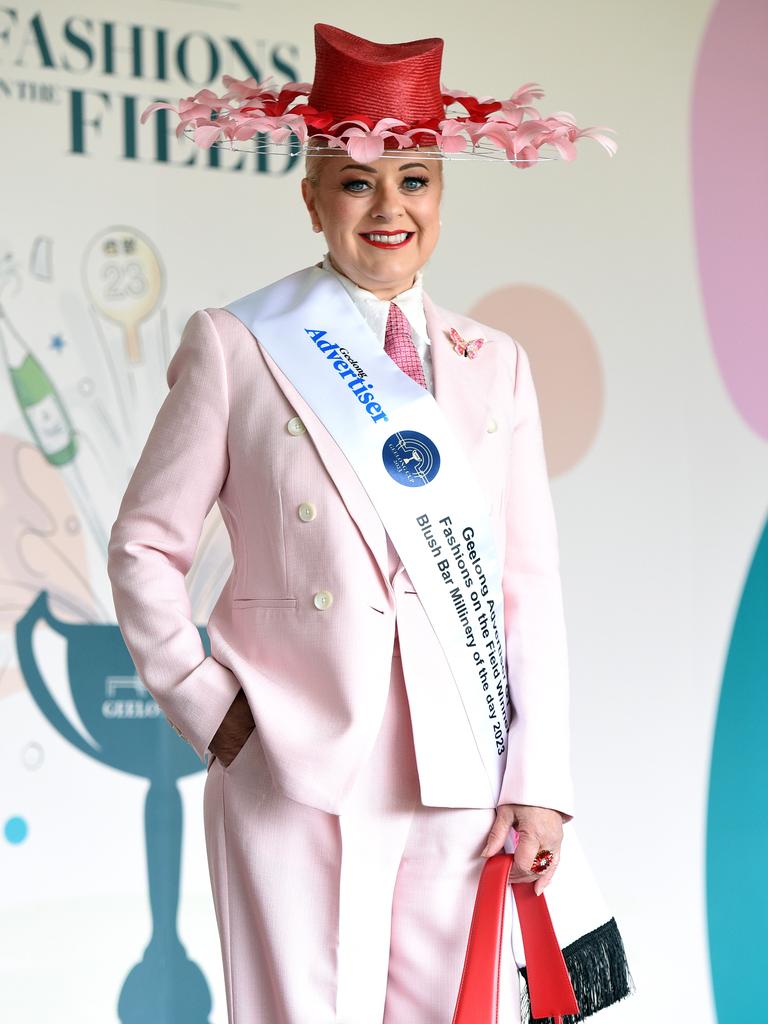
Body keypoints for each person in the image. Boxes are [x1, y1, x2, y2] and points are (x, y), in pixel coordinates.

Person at [109, 22, 631, 1024]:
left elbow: (527, 585)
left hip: (459, 773)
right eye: (356, 182)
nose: (389, 208)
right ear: (312, 197)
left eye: (417, 180)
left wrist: (541, 778)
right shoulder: (239, 345)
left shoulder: (496, 363)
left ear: (443, 194)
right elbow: (144, 544)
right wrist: (211, 707)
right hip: (292, 761)